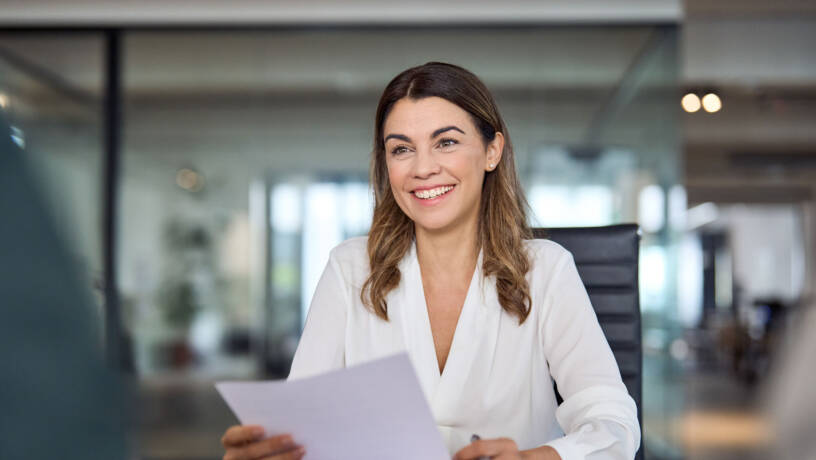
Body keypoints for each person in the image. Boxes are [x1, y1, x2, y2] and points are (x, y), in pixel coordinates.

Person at [221, 62, 640, 460]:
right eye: (401, 149)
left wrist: (537, 457)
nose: (423, 168)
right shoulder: (350, 269)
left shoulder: (546, 270)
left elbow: (612, 420)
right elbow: (304, 421)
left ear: (492, 150)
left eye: (446, 142)